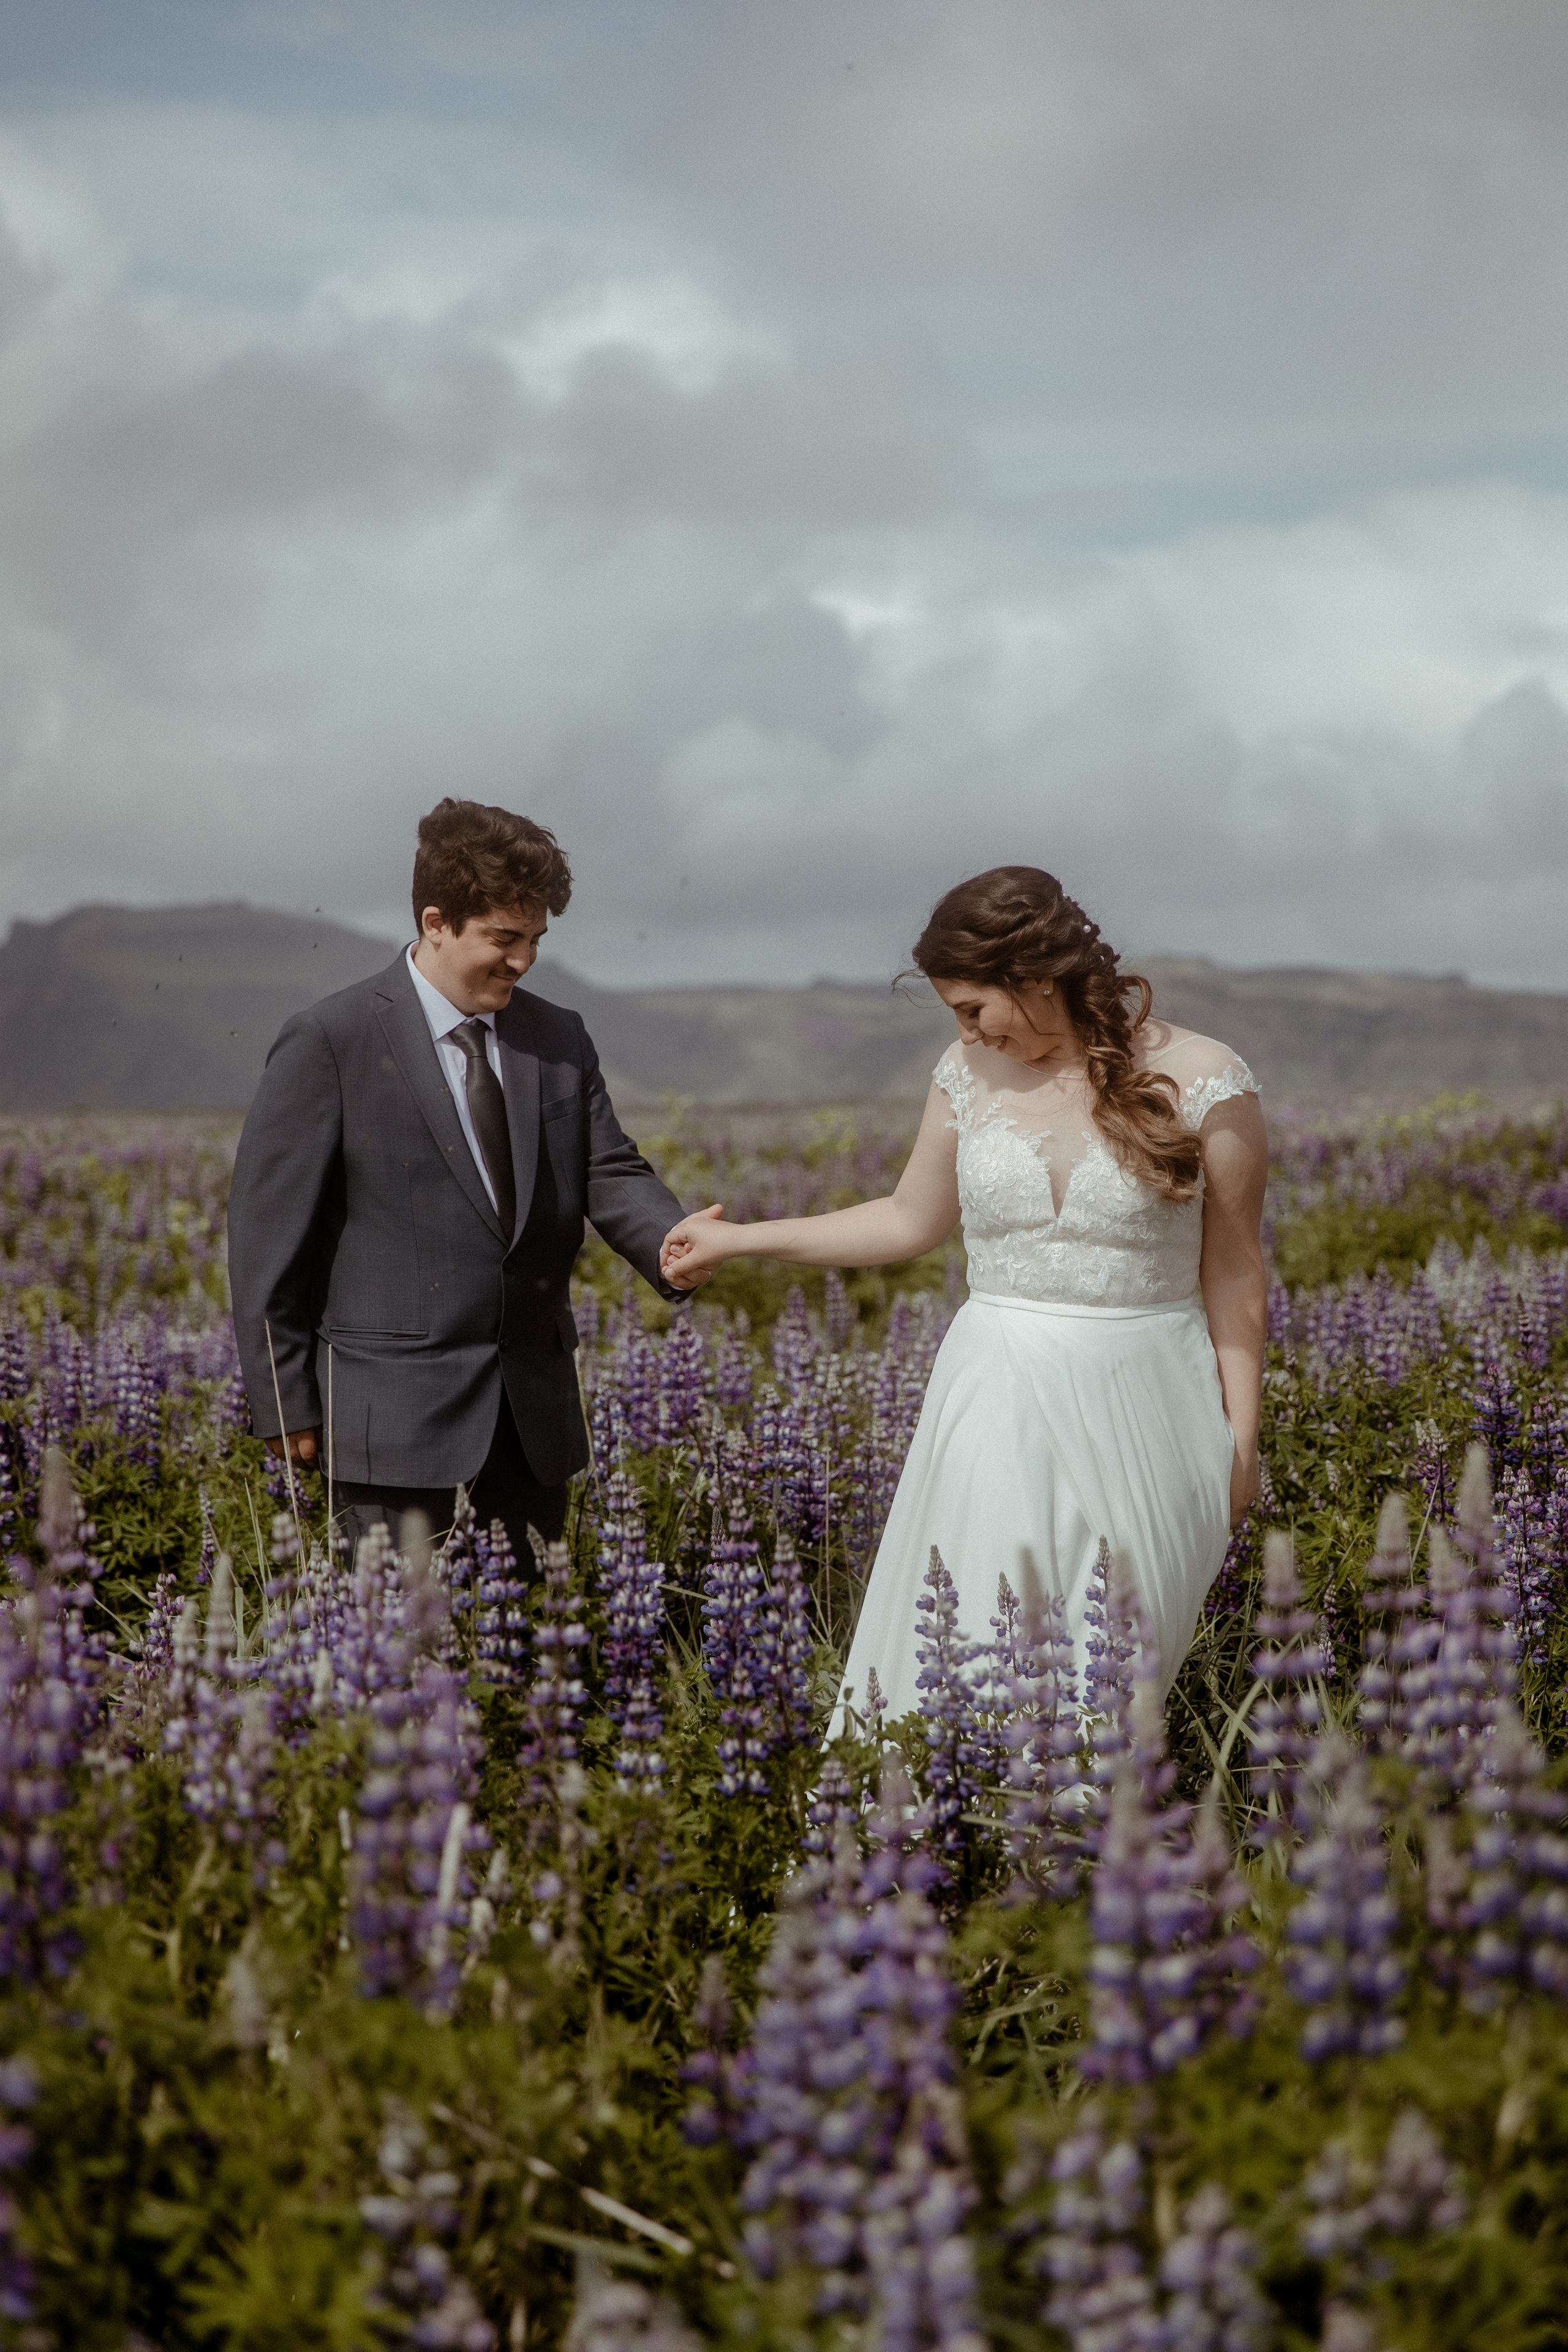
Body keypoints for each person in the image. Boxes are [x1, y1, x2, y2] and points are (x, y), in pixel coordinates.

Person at [660, 865, 1267, 1719]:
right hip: (995, 1395)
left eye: (972, 1007)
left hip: (1152, 1404)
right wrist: (743, 1239)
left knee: (1116, 1683)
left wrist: (1239, 1445)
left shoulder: (1206, 1077)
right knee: (972, 1649)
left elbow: (1235, 1270)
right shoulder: (966, 1072)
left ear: (1034, 978)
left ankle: (1095, 1850)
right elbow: (909, 1220)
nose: (968, 1033)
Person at [228, 797, 695, 1565]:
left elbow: (606, 1166)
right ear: (436, 922)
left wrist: (674, 1244)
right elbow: (266, 1236)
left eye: (536, 940)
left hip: (531, 1417)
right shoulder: (331, 1039)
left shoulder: (557, 1035)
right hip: (390, 1420)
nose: (523, 961)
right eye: (504, 939)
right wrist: (285, 1401)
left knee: (522, 1671)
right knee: (396, 1659)